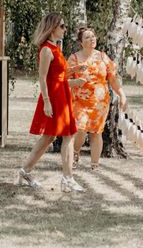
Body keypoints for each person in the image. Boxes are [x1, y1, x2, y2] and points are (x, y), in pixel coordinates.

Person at [15, 13, 87, 192]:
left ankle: (26, 171)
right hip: (53, 98)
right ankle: (68, 178)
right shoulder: (47, 49)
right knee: (66, 136)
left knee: (49, 137)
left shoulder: (56, 48)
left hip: (61, 96)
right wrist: (47, 102)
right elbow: (43, 77)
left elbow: (58, 76)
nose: (65, 29)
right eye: (62, 26)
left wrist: (74, 71)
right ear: (53, 28)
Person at [68, 27, 127, 171]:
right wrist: (75, 79)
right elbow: (63, 79)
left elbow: (113, 79)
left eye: (93, 36)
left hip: (100, 103)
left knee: (96, 132)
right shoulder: (74, 58)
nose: (92, 39)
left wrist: (122, 94)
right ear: (81, 42)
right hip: (79, 101)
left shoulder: (103, 57)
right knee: (80, 129)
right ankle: (75, 153)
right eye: (87, 37)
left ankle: (95, 164)